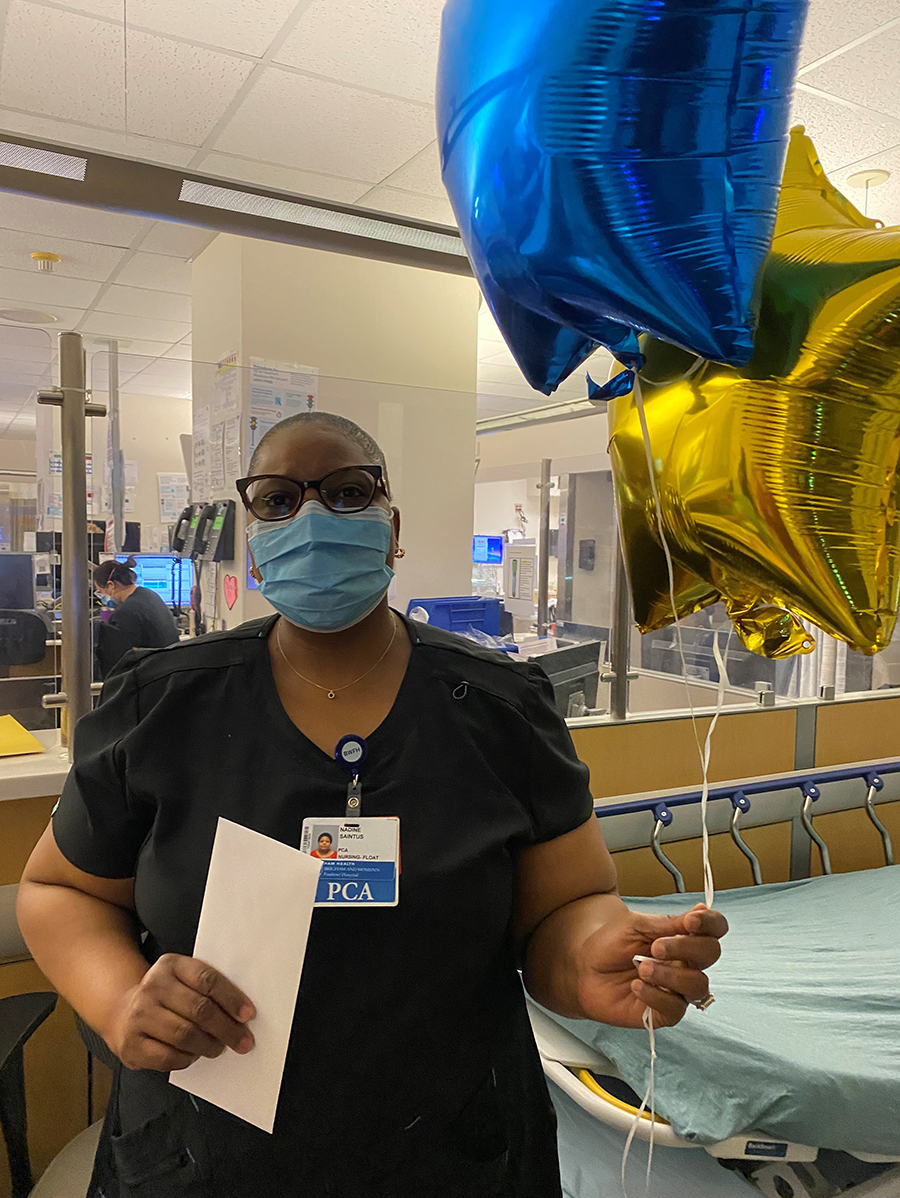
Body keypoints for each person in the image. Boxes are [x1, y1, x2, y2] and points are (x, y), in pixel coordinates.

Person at [18, 412, 727, 1198]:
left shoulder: (501, 710)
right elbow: (58, 891)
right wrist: (121, 1001)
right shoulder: (162, 706)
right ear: (253, 541)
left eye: (349, 491)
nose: (314, 517)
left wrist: (590, 962)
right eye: (279, 499)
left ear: (393, 532)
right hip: (204, 1156)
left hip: (455, 1155)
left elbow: (568, 907)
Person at [93, 556, 179, 677]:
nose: (102, 597)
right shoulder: (149, 594)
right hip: (170, 671)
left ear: (111, 585)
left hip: (155, 676)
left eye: (101, 592)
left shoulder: (126, 612)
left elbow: (120, 664)